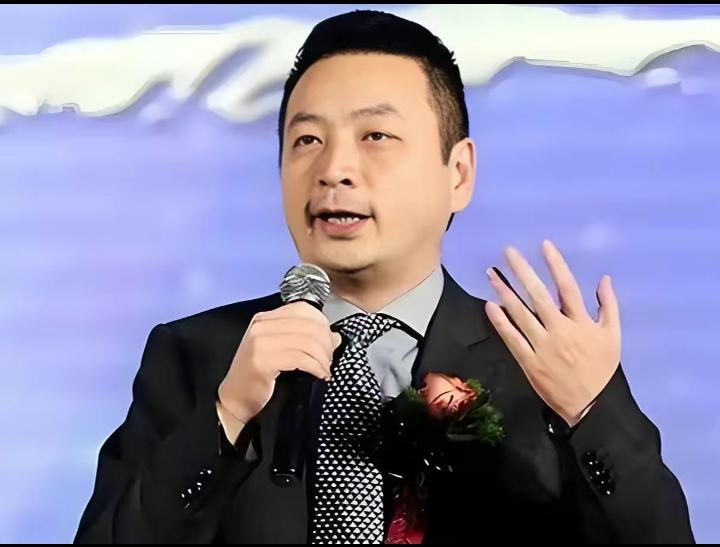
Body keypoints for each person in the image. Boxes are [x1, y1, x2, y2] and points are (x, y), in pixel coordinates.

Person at [75, 10, 694, 544]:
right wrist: (228, 414)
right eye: (306, 140)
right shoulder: (196, 357)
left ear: (458, 173)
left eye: (375, 135)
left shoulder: (540, 365)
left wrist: (592, 412)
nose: (334, 168)